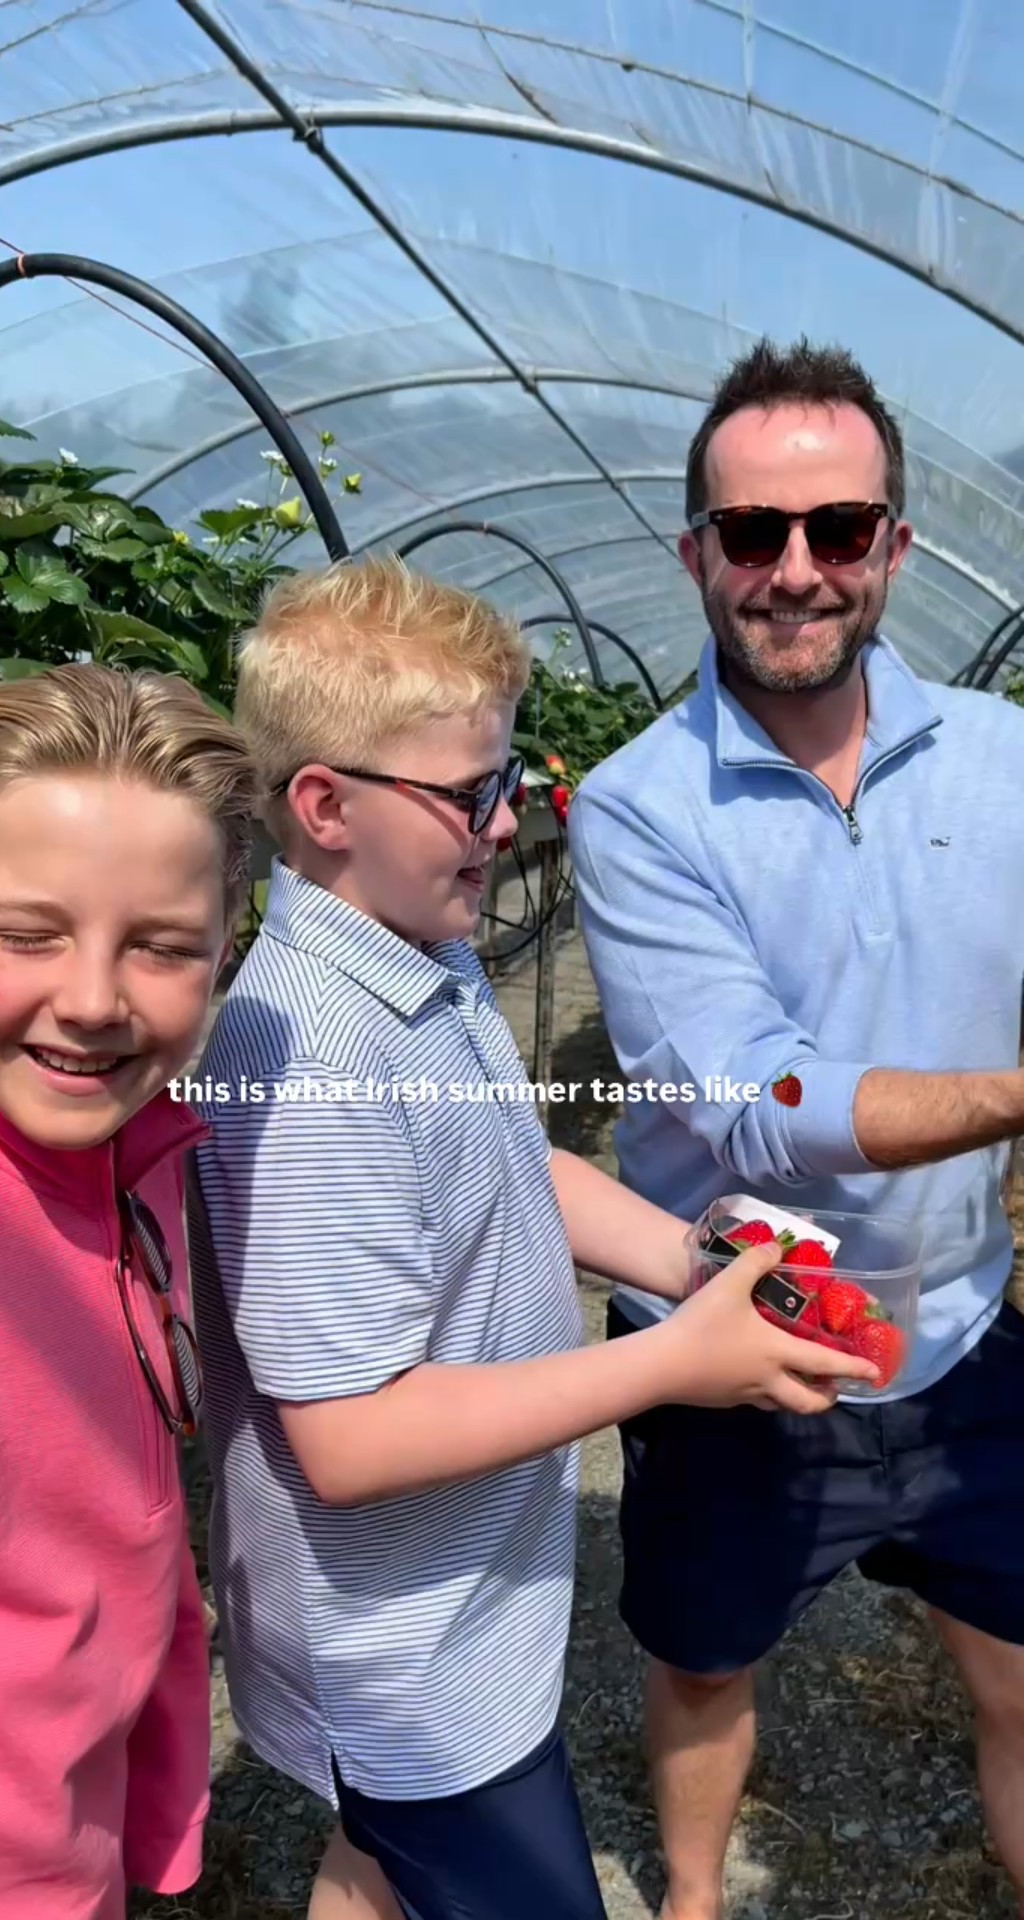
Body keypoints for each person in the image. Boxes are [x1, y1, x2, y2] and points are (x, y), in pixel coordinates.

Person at [183, 556, 876, 1920]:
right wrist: (673, 1365)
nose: (507, 827)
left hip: (460, 1614)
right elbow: (353, 1437)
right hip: (409, 1664)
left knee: (377, 1868)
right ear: (323, 806)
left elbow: (517, 1167)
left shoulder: (418, 960)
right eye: (471, 793)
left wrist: (694, 1264)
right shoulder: (312, 1059)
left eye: (512, 783)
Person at [567, 335, 1024, 1920]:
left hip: (961, 1332)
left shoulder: (1006, 761)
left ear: (897, 543)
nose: (797, 571)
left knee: (1019, 1657)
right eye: (753, 535)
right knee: (706, 1661)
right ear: (697, 552)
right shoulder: (635, 807)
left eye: (839, 530)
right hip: (730, 1337)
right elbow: (754, 1107)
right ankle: (692, 1899)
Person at [0, 662, 257, 1917]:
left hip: (77, 1786)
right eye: (26, 934)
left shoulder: (129, 1140)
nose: (88, 1002)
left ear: (227, 949)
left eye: (163, 949)